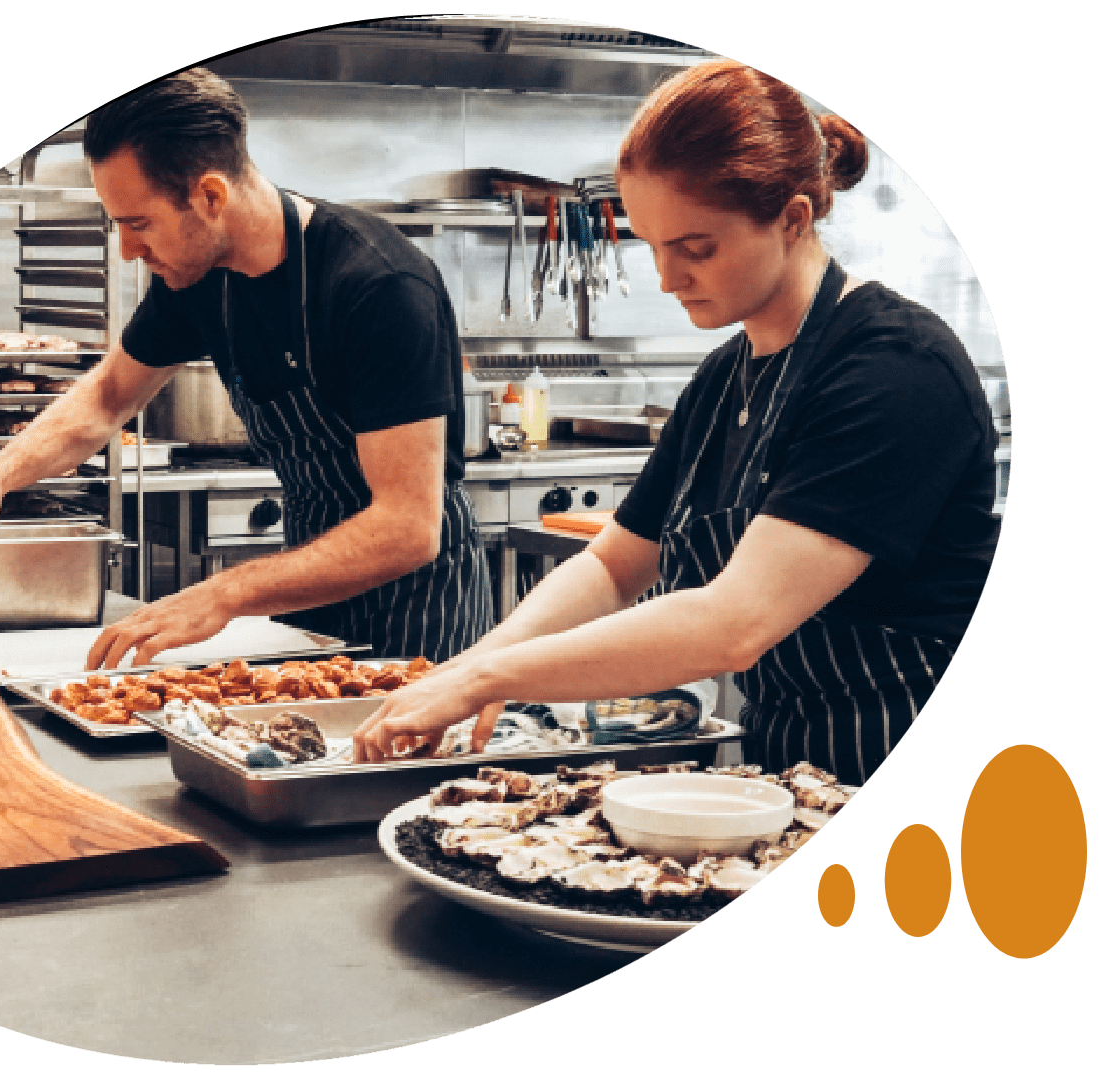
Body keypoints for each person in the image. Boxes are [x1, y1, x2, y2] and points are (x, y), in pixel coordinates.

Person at [352, 59, 1001, 787]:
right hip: (785, 773)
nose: (666, 278)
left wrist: (489, 677)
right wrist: (475, 665)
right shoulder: (727, 374)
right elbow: (614, 564)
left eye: (695, 248)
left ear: (792, 218)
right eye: (652, 246)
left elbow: (734, 623)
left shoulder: (896, 370)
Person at [0, 69, 494, 668]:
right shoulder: (198, 277)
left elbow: (407, 527)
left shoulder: (376, 286)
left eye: (138, 223)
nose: (127, 251)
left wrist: (222, 594)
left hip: (420, 610)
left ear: (210, 196)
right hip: (308, 587)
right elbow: (109, 396)